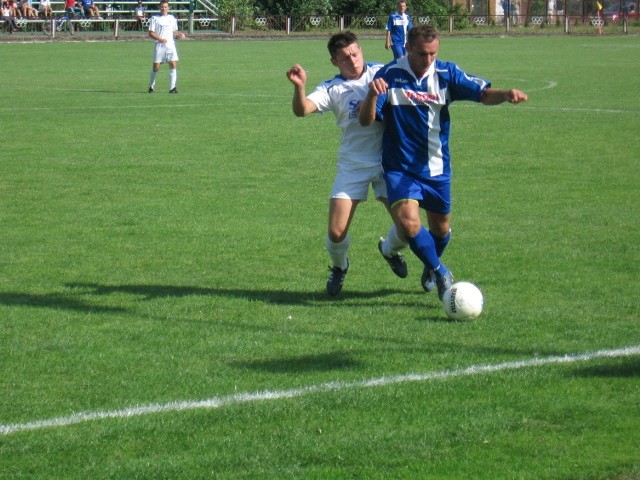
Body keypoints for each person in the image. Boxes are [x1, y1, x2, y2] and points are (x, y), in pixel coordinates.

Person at [360, 25, 528, 300]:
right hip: (400, 168)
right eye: (422, 54)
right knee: (408, 222)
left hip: (436, 167)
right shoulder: (389, 75)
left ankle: (430, 263)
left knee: (441, 230)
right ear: (409, 49)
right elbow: (366, 120)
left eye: (433, 54)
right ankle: (440, 272)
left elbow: (482, 94)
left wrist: (506, 94)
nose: (428, 60)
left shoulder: (446, 73)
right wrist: (371, 94)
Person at [286, 31, 409, 297]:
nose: (352, 61)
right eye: (344, 58)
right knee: (336, 232)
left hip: (390, 162)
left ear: (361, 50)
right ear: (334, 62)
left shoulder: (382, 71)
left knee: (407, 229)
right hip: (353, 163)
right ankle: (340, 267)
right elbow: (301, 110)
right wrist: (299, 88)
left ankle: (389, 249)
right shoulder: (332, 88)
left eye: (355, 54)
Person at [148, 0, 185, 94]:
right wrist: (160, 39)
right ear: (159, 7)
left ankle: (172, 88)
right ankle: (151, 86)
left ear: (168, 8)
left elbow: (174, 32)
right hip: (159, 45)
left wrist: (179, 34)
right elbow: (151, 33)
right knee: (156, 67)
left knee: (173, 64)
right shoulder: (155, 18)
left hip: (170, 45)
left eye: (165, 7)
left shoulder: (172, 18)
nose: (164, 8)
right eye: (162, 7)